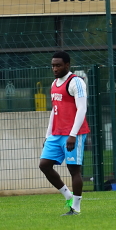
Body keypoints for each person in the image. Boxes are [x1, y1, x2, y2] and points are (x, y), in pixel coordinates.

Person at [39, 51, 89, 216]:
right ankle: (68, 196)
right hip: (56, 133)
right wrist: (47, 135)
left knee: (74, 169)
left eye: (58, 65)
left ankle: (76, 208)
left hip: (73, 133)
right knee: (44, 165)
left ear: (67, 65)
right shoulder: (54, 83)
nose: (55, 68)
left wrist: (73, 134)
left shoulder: (76, 82)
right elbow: (54, 111)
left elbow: (82, 109)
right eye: (53, 65)